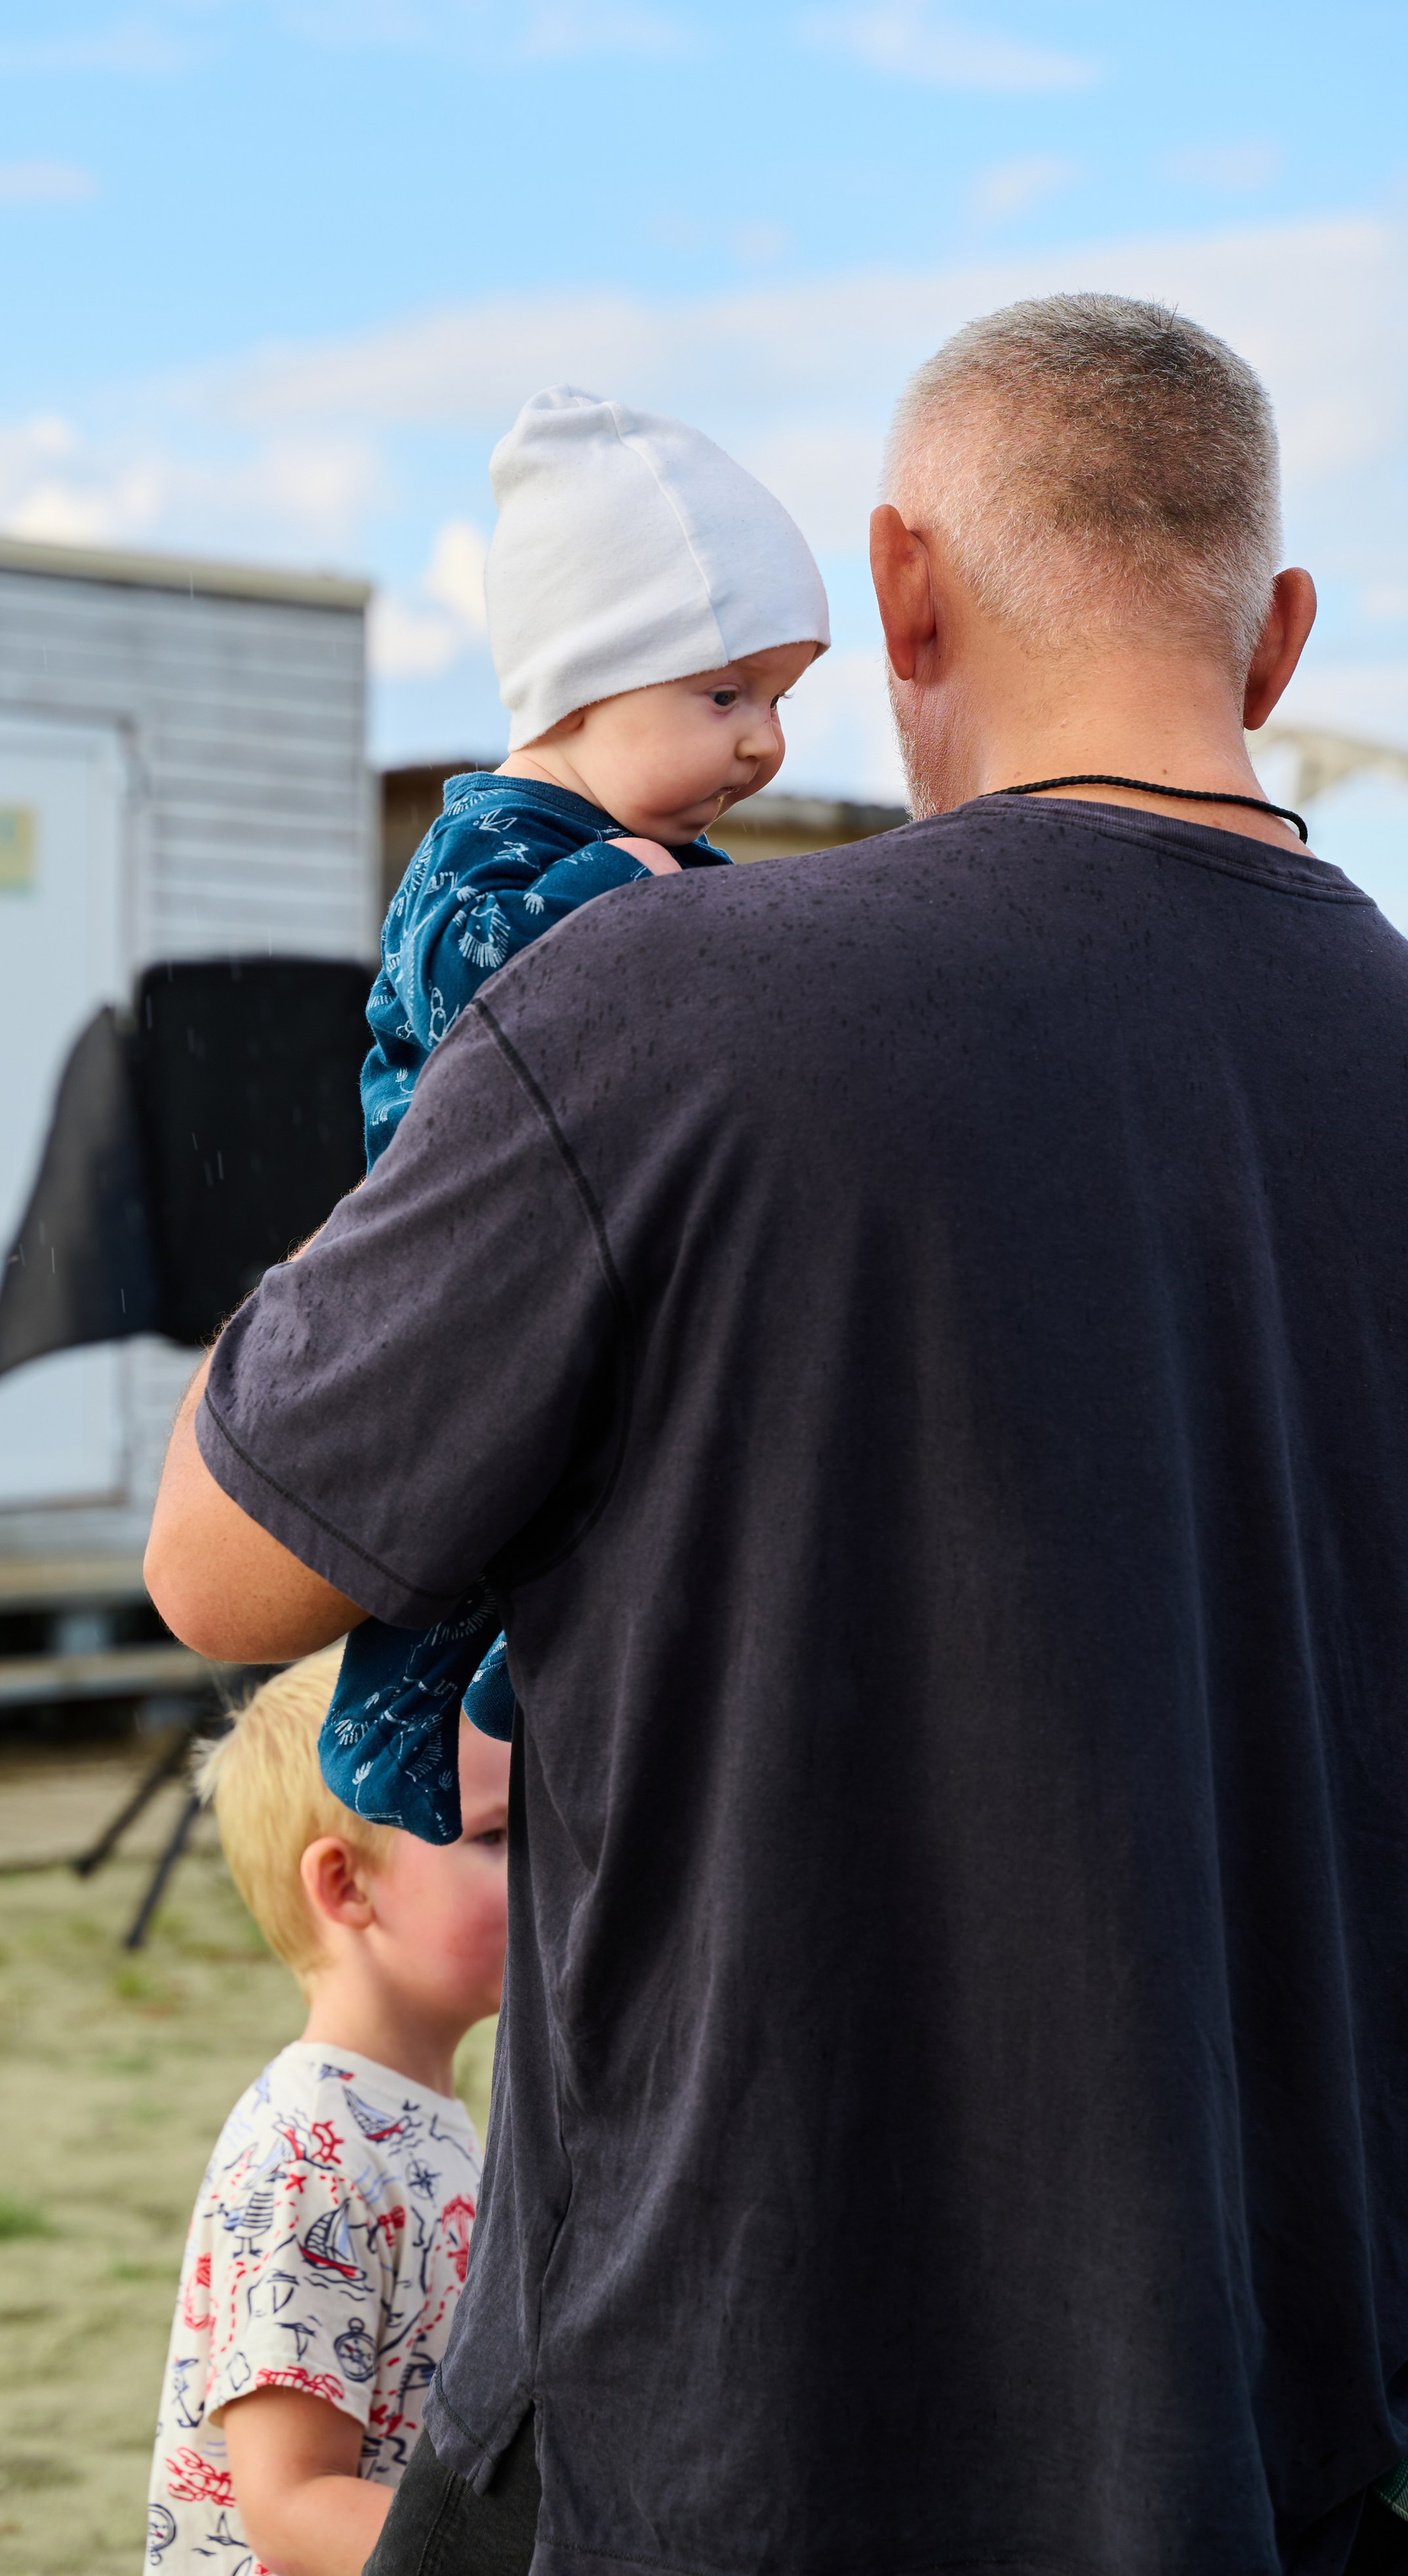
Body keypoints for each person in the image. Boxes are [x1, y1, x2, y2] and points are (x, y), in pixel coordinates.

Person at [146, 293, 1408, 2576]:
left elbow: (223, 1565)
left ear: (902, 592)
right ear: (1276, 638)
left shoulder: (646, 1007)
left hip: (729, 2429)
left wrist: (430, 1124)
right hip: (1308, 2434)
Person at [329, 384, 827, 1842]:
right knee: (466, 1498)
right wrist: (612, 893)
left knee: (606, 1475)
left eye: (779, 702)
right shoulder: (490, 841)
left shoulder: (667, 861)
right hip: (464, 1241)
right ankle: (395, 1725)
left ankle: (522, 1676)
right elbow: (461, 983)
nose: (764, 746)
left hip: (597, 1239)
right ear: (583, 691)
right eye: (725, 697)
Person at [142, 1650, 509, 2576]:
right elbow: (293, 2505)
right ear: (347, 1886)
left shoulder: (410, 2115)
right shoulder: (312, 2157)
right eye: (499, 1838)